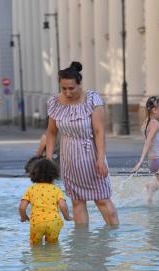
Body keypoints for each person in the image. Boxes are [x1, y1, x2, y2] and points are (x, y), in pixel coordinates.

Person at [45, 61, 119, 225]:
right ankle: (81, 245)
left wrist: (100, 159)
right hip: (69, 159)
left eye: (71, 88)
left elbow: (99, 132)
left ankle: (113, 237)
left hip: (91, 157)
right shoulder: (54, 102)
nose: (68, 92)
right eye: (64, 88)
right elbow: (51, 132)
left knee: (102, 199)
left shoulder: (92, 99)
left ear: (80, 84)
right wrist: (49, 159)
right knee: (77, 201)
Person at [19, 158, 72, 246]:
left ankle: (38, 258)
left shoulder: (31, 189)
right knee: (53, 246)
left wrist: (23, 217)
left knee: (35, 246)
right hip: (54, 222)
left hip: (37, 222)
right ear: (54, 174)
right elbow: (63, 206)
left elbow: (22, 207)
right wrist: (67, 217)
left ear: (33, 174)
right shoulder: (56, 189)